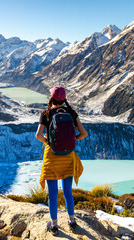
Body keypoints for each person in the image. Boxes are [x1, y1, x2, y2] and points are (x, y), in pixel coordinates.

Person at [35, 86, 87, 236]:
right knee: (67, 191)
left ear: (51, 99)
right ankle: (72, 221)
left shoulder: (46, 114)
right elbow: (84, 133)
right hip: (68, 156)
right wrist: (72, 140)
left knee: (52, 193)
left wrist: (49, 143)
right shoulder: (71, 113)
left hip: (52, 156)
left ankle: (54, 225)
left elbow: (38, 135)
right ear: (64, 99)